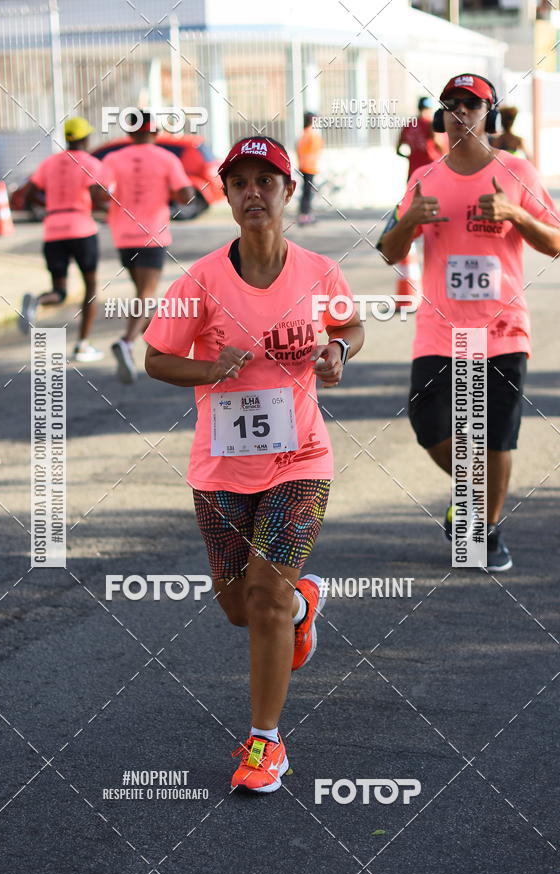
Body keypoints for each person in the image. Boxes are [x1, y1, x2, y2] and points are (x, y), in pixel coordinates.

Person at [144, 137, 364, 792]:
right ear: (228, 196)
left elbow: (349, 326)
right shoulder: (200, 281)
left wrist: (340, 353)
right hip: (220, 470)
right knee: (241, 608)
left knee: (265, 596)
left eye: (266, 180)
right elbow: (157, 357)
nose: (253, 193)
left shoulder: (319, 270)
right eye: (239, 182)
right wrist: (209, 369)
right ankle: (301, 610)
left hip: (301, 458)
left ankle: (265, 741)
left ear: (288, 192)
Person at [378, 73, 560, 572]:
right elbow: (389, 249)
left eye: (471, 105)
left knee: (498, 435)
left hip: (502, 327)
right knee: (427, 420)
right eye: (452, 105)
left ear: (489, 114)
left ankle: (486, 529)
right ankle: (471, 496)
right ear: (440, 116)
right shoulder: (423, 178)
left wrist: (515, 215)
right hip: (441, 328)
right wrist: (411, 220)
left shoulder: (518, 170)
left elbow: (555, 241)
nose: (460, 113)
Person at [94, 111, 194, 384]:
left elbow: (97, 192)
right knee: (147, 295)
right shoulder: (166, 158)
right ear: (155, 132)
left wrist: (113, 199)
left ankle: (158, 343)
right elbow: (186, 196)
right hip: (153, 233)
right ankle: (126, 342)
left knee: (142, 295)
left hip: (122, 234)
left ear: (130, 133)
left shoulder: (113, 158)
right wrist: (182, 194)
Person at [18, 117, 105, 362]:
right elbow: (97, 195)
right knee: (90, 287)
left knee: (60, 291)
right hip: (81, 228)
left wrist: (50, 207)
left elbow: (28, 196)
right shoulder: (91, 163)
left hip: (53, 229)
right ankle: (83, 345)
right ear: (86, 139)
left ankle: (37, 301)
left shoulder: (49, 163)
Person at [396, 97, 446, 181]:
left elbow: (398, 150)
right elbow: (438, 143)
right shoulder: (430, 124)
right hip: (431, 170)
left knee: (414, 194)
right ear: (430, 109)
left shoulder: (408, 125)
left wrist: (411, 157)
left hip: (413, 171)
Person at [296, 111, 323, 225]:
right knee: (307, 192)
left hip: (305, 167)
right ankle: (304, 215)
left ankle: (305, 213)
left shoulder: (304, 134)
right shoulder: (311, 135)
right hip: (309, 168)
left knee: (306, 191)